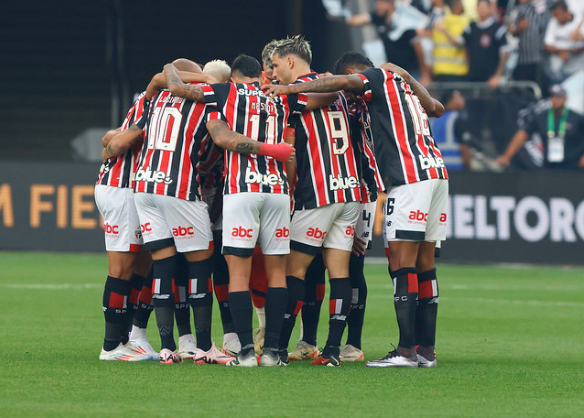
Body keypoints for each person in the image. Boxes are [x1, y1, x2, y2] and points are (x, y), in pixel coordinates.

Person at [264, 51, 448, 368]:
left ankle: (403, 351)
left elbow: (345, 83)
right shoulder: (402, 88)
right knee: (420, 264)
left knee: (398, 263)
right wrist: (406, 75)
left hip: (396, 178)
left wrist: (289, 89)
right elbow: (437, 108)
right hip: (430, 173)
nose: (349, 95)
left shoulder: (374, 80)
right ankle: (422, 350)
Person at [103, 59, 285, 364]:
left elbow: (161, 80)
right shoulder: (215, 98)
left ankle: (166, 347)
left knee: (162, 265)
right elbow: (220, 138)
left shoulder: (159, 96)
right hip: (181, 187)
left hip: (145, 185)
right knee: (201, 265)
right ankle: (202, 348)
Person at [162, 54, 334, 367]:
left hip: (243, 190)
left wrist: (169, 68)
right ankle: (272, 353)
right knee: (278, 273)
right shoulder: (280, 97)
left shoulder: (227, 92)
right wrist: (291, 90)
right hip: (278, 191)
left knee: (237, 274)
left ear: (235, 77)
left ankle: (244, 353)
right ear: (262, 75)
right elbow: (330, 95)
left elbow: (177, 89)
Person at [269, 36, 362, 367]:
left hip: (319, 193)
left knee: (293, 270)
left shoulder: (300, 91)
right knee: (339, 272)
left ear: (291, 62)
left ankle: (277, 348)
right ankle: (333, 351)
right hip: (349, 190)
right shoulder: (335, 87)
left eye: (276, 65)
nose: (274, 73)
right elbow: (335, 95)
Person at [496, 84, 584, 169]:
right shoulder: (542, 117)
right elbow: (522, 134)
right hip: (549, 165)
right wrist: (507, 156)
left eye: (558, 97)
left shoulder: (576, 118)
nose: (555, 100)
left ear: (565, 99)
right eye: (552, 97)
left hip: (574, 165)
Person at [345, 0, 431, 85]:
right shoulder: (379, 17)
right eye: (377, 3)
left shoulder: (405, 20)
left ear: (391, 4)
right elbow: (354, 21)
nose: (378, 6)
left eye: (382, 3)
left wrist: (425, 75)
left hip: (412, 72)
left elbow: (418, 47)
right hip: (393, 71)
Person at [442, 0, 509, 88]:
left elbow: (505, 52)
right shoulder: (471, 27)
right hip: (473, 78)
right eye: (480, 7)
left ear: (489, 8)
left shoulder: (498, 28)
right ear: (476, 9)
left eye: (484, 7)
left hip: (490, 80)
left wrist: (497, 75)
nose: (482, 10)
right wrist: (445, 31)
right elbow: (459, 42)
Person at [508, 0, 551, 85]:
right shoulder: (521, 9)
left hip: (545, 59)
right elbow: (509, 29)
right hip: (524, 59)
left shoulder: (550, 6)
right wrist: (518, 28)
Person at [431, 90, 473, 170]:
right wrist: (469, 166)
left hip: (437, 168)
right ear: (450, 101)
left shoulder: (433, 120)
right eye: (459, 97)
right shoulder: (457, 118)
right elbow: (464, 147)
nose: (462, 99)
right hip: (455, 168)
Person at [544, 1, 584, 83]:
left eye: (558, 15)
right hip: (559, 70)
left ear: (566, 11)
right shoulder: (553, 22)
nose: (556, 18)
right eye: (554, 15)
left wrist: (568, 52)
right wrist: (561, 52)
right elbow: (547, 45)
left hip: (579, 70)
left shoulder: (580, 21)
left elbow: (580, 48)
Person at [432, 0, 469, 81]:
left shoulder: (439, 22)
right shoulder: (463, 23)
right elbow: (460, 43)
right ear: (458, 5)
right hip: (457, 70)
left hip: (439, 69)